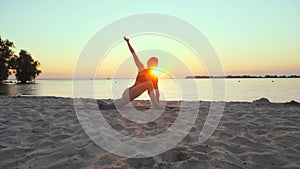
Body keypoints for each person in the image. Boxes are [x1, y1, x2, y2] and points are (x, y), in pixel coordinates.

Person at [97, 37, 161, 109]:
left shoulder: (155, 77)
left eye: (154, 63)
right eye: (150, 62)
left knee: (109, 106)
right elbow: (134, 54)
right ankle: (156, 106)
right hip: (129, 92)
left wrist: (157, 102)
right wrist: (128, 43)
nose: (151, 64)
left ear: (156, 65)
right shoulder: (141, 68)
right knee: (149, 83)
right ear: (148, 63)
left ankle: (93, 102)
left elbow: (157, 91)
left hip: (130, 96)